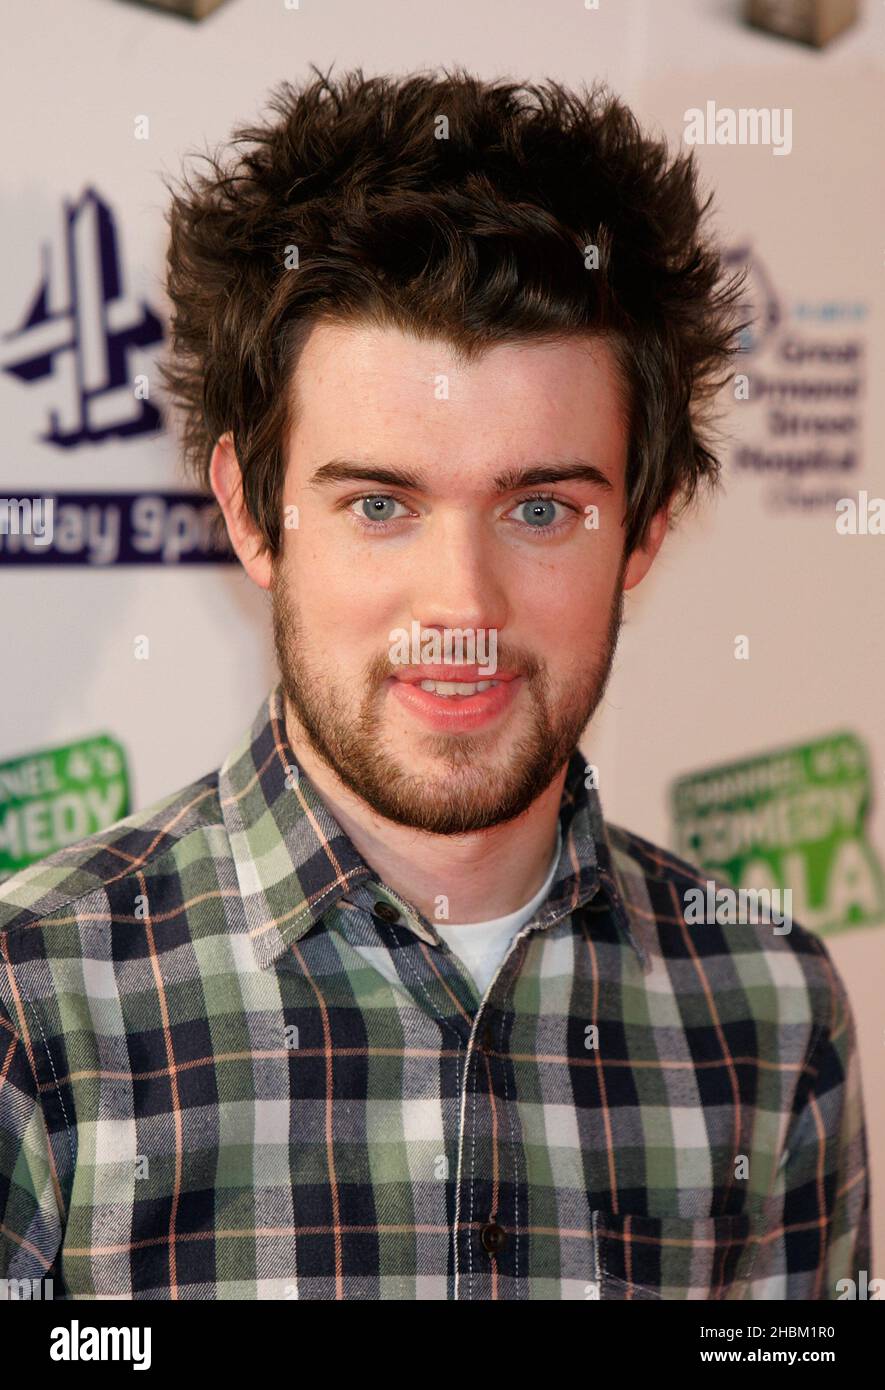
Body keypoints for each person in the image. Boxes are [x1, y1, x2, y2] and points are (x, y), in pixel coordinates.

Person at [0, 66, 870, 1301]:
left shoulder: (770, 1012)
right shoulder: (34, 1009)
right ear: (253, 512)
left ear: (647, 530)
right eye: (379, 504)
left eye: (541, 508)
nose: (462, 605)